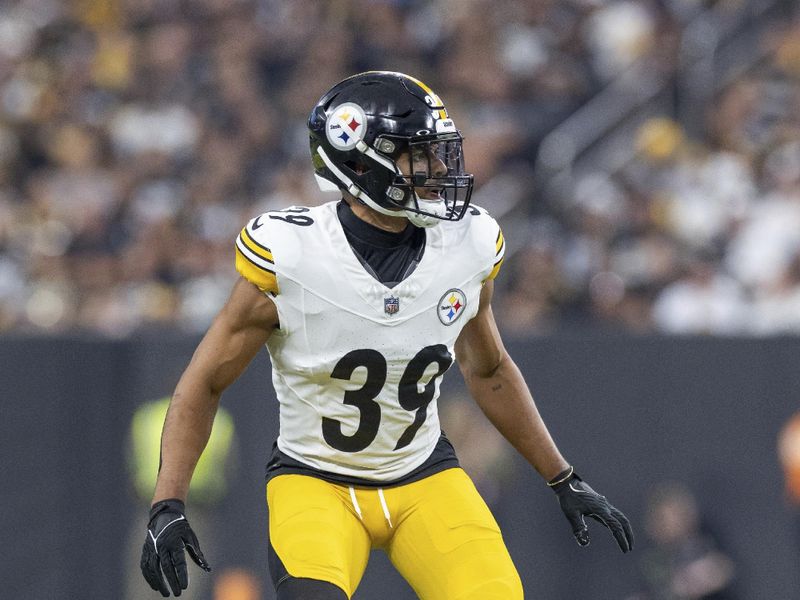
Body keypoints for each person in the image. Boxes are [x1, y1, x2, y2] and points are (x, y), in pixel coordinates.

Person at [140, 71, 634, 600]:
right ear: (360, 162)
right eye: (417, 155)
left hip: (424, 477)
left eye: (440, 152)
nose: (440, 168)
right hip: (316, 482)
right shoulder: (293, 257)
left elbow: (488, 369)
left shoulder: (466, 246)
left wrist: (563, 477)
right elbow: (204, 382)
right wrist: (167, 502)